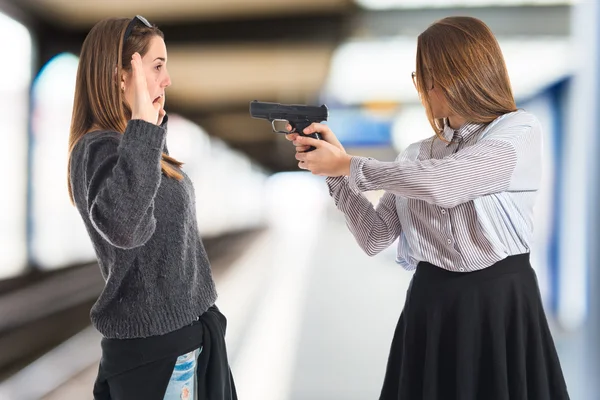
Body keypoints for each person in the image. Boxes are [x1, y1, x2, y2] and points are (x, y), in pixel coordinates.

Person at [286, 16, 570, 400]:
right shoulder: (418, 154)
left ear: (457, 75)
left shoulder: (518, 132)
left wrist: (349, 166)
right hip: (431, 305)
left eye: (426, 77)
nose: (423, 89)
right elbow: (375, 236)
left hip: (498, 302)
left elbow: (445, 183)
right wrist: (335, 174)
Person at [67, 16, 237, 400]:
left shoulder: (133, 143)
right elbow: (127, 226)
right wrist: (144, 126)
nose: (167, 80)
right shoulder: (96, 149)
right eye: (157, 66)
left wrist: (145, 131)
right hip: (158, 356)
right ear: (121, 75)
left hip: (182, 343)